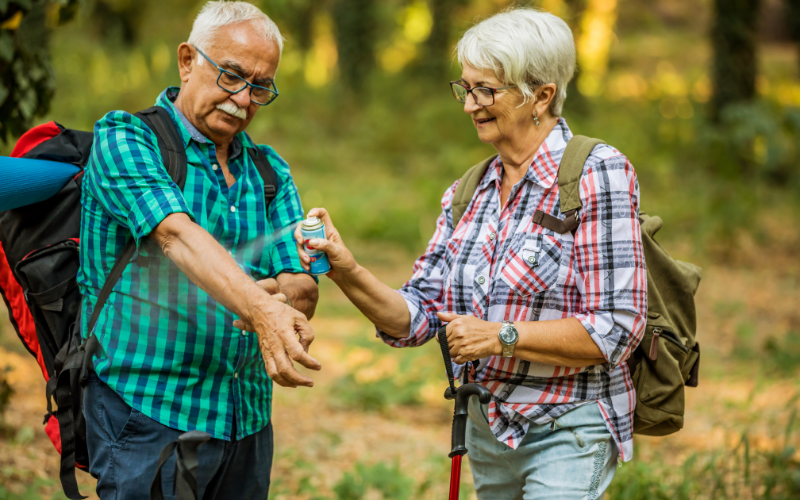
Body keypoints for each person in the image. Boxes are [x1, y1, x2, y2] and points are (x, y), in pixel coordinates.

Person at [293, 8, 646, 500]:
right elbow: (415, 319)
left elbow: (618, 325)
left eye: (487, 91)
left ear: (541, 94)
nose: (469, 105)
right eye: (466, 88)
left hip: (569, 424)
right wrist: (345, 269)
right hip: (487, 426)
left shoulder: (597, 173)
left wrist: (499, 336)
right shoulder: (469, 192)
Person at [77, 2, 319, 499]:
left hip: (246, 417)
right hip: (148, 410)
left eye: (260, 86)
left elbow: (303, 287)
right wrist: (261, 306)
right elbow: (176, 235)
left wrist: (278, 294)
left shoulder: (271, 171)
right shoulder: (127, 138)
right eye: (231, 75)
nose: (242, 98)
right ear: (188, 61)